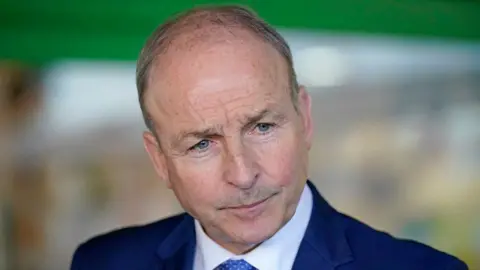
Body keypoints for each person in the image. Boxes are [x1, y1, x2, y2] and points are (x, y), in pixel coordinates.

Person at [70, 4, 468, 270]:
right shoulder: (103, 262)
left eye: (262, 127)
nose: (243, 175)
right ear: (158, 159)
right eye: (202, 144)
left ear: (305, 117)